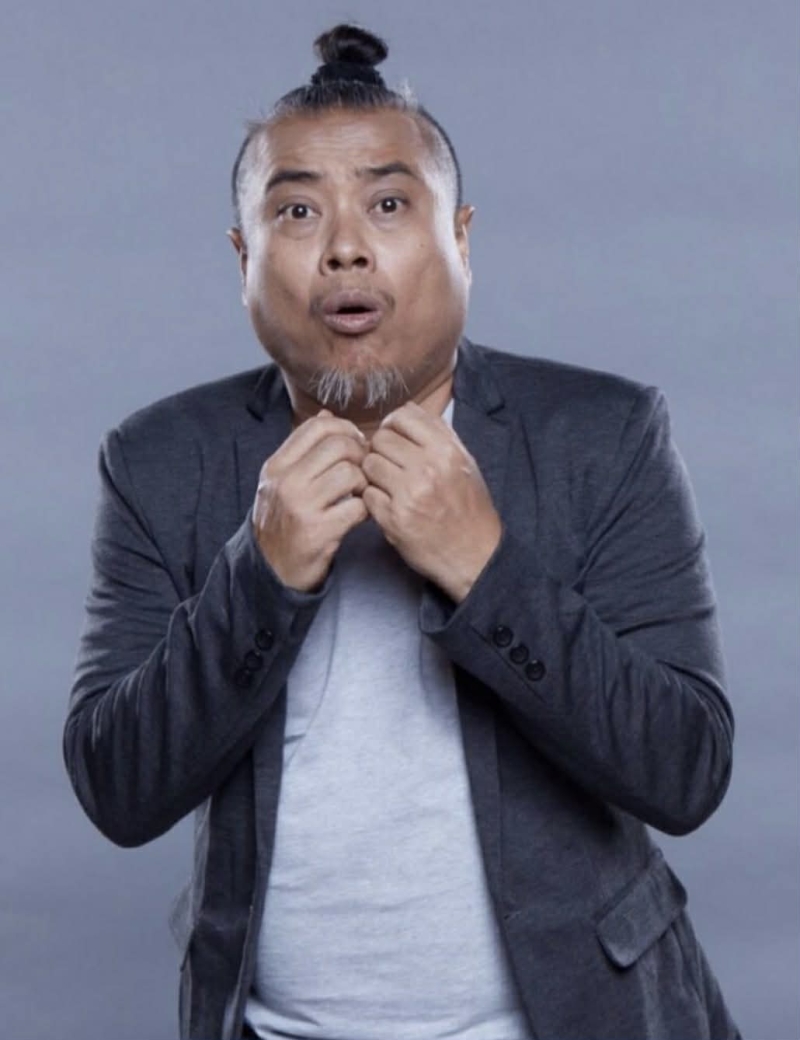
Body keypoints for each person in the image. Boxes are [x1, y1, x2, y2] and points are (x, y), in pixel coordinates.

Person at [64, 22, 743, 1040]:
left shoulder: (603, 434)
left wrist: (487, 570)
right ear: (244, 259)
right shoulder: (161, 459)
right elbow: (118, 789)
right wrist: (260, 578)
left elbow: (685, 769)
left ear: (460, 239)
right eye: (297, 210)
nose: (345, 246)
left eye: (388, 203)